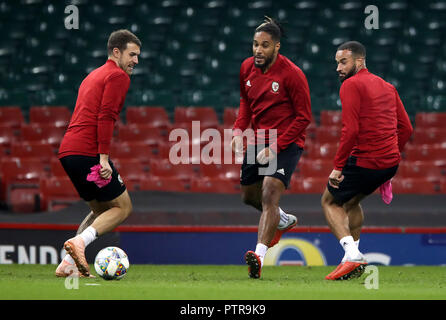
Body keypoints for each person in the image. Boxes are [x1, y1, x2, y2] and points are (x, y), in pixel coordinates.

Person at [321, 41, 413, 280]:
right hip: (389, 162)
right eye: (337, 63)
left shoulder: (351, 85)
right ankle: (352, 258)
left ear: (359, 61)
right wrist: (392, 153)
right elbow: (406, 128)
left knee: (330, 201)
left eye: (344, 62)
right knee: (350, 202)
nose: (339, 68)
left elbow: (350, 130)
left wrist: (338, 167)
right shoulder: (387, 86)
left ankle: (352, 255)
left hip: (368, 160)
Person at [54, 29, 141, 278]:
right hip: (88, 153)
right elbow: (106, 116)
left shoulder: (93, 75)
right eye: (132, 54)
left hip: (69, 153)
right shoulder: (117, 76)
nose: (136, 61)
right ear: (116, 52)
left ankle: (68, 264)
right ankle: (79, 244)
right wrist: (103, 158)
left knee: (103, 209)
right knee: (123, 207)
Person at [231, 17, 312, 279]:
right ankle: (283, 219)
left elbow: (304, 117)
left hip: (286, 141)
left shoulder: (292, 74)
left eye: (264, 45)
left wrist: (276, 147)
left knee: (268, 193)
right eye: (255, 44)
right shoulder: (246, 68)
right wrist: (238, 130)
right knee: (248, 195)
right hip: (258, 140)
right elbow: (246, 101)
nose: (258, 50)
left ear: (277, 47)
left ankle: (259, 256)